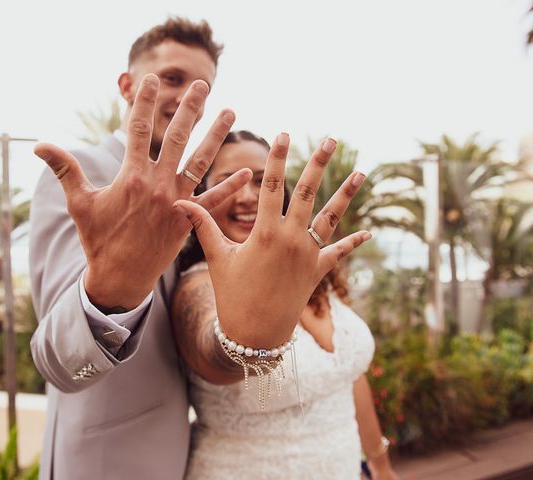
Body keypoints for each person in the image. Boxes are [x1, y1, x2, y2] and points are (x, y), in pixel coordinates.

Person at [30, 17, 369, 480]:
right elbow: (60, 364)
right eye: (171, 78)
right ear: (127, 85)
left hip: (189, 455)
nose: (186, 95)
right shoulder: (85, 177)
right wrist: (116, 284)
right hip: (111, 464)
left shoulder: (194, 200)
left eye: (202, 87)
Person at [171, 131, 398, 479]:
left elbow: (349, 378)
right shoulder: (196, 284)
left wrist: (381, 467)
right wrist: (249, 341)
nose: (248, 197)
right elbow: (213, 353)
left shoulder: (310, 271)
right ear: (204, 195)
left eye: (262, 182)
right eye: (230, 183)